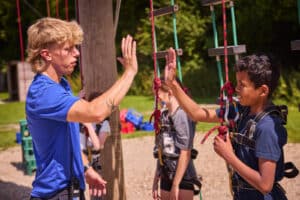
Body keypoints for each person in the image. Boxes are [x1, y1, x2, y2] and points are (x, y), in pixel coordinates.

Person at [25, 17, 138, 199]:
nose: (76, 53)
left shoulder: (60, 84)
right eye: (68, 49)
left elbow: (69, 138)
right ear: (46, 54)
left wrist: (85, 167)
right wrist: (130, 72)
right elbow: (96, 113)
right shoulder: (44, 93)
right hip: (55, 194)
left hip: (71, 190)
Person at [164, 48, 288, 200]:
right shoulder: (241, 111)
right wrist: (173, 83)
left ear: (262, 91)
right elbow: (197, 113)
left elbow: (265, 185)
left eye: (242, 85)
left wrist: (228, 155)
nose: (236, 89)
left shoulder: (267, 127)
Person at [152, 77, 200, 200]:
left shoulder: (182, 114)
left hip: (182, 176)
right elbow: (161, 151)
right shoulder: (163, 115)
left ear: (170, 92)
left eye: (157, 94)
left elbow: (185, 152)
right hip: (166, 173)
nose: (156, 98)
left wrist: (175, 185)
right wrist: (156, 179)